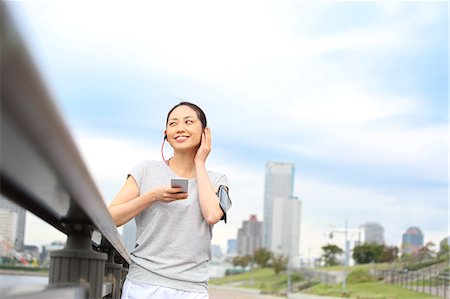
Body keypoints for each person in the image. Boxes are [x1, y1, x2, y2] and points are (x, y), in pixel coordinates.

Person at [108, 102, 231, 299]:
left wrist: (200, 162)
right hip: (144, 284)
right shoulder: (145, 170)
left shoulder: (216, 180)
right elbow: (110, 217)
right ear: (166, 133)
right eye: (173, 123)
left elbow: (212, 215)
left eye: (188, 122)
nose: (180, 128)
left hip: (193, 289)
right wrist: (152, 197)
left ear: (205, 132)